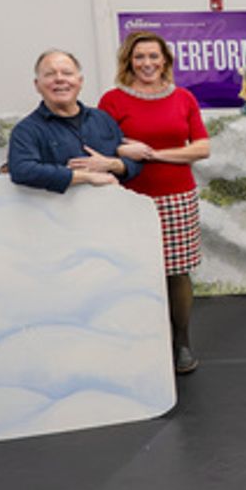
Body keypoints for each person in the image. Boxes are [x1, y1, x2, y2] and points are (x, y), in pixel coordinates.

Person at [100, 32, 211, 376]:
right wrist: (123, 149)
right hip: (128, 197)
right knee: (133, 270)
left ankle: (181, 342)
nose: (147, 63)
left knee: (177, 273)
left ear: (165, 61)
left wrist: (153, 154)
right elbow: (99, 144)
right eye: (139, 57)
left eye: (153, 56)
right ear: (128, 61)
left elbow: (202, 148)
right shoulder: (112, 100)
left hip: (177, 197)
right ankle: (141, 341)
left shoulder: (183, 98)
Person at [8, 49, 140, 192]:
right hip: (60, 213)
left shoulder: (102, 119)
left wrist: (112, 164)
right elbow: (22, 170)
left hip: (109, 209)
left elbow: (134, 163)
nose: (59, 79)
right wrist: (82, 176)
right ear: (37, 85)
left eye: (67, 73)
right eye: (50, 74)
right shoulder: (27, 130)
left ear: (80, 81)